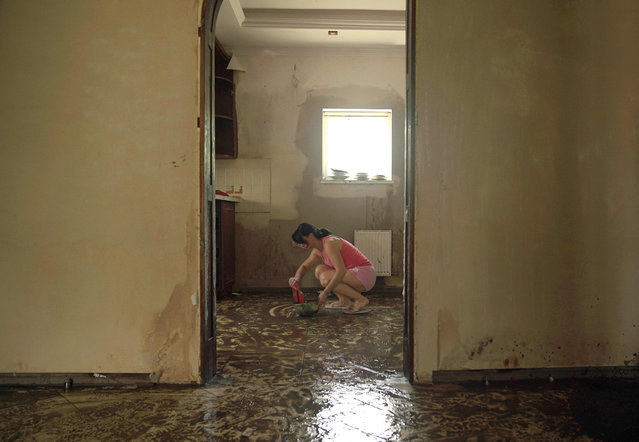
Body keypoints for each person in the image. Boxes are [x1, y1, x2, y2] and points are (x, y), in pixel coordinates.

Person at [288, 222, 376, 314]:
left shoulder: (329, 243)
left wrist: (325, 293)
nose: (302, 245)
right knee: (319, 270)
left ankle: (360, 299)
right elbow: (305, 266)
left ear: (310, 235)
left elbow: (340, 271)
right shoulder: (318, 249)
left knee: (325, 278)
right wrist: (296, 279)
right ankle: (344, 301)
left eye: (302, 241)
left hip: (365, 275)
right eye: (300, 243)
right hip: (354, 275)